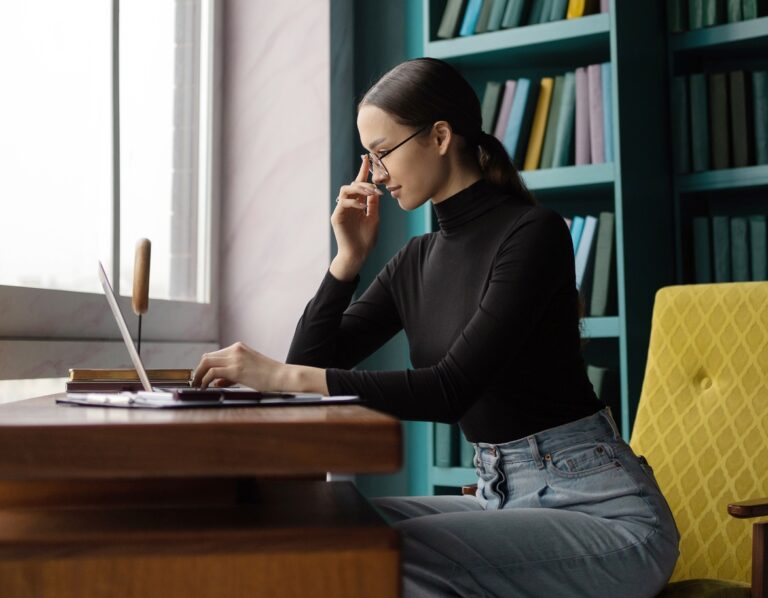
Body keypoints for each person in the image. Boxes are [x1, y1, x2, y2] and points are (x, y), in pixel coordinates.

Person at [192, 57, 680, 597]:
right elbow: (312, 359)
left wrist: (279, 378)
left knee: (383, 557)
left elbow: (450, 389)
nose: (376, 174)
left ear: (441, 136)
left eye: (383, 153)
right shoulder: (415, 260)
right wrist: (346, 261)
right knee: (328, 527)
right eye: (369, 158)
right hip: (501, 497)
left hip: (607, 516)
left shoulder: (533, 235)